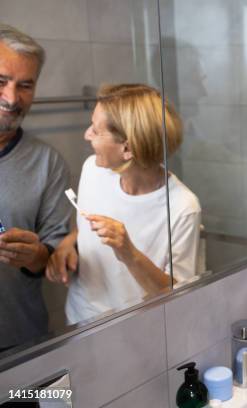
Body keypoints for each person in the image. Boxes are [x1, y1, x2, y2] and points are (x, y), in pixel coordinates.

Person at [46, 84, 201, 324]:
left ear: (127, 148)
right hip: (81, 318)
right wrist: (69, 243)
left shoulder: (183, 207)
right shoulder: (93, 170)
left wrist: (128, 252)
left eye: (96, 131)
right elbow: (88, 219)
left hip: (136, 329)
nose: (87, 135)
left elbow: (176, 296)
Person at [0, 24, 71, 350]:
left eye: (25, 85)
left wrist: (35, 254)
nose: (12, 98)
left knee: (53, 400)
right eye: (1, 81)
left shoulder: (47, 163)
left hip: (21, 343)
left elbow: (52, 258)